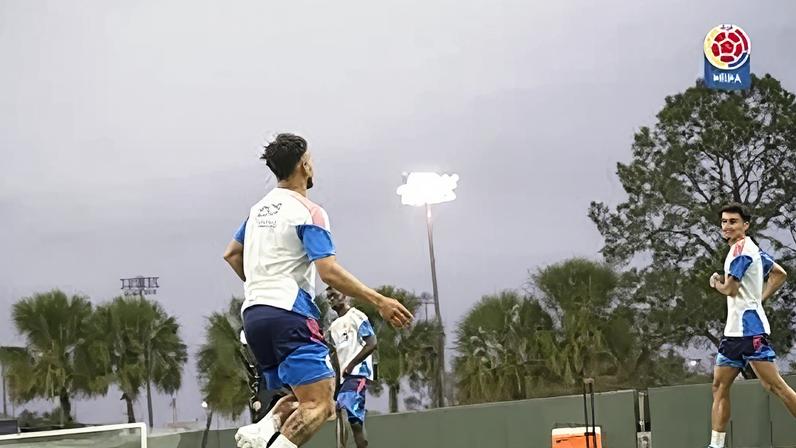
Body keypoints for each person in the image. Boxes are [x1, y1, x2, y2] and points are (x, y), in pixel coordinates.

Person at [223, 133, 413, 448]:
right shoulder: (309, 211)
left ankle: (264, 427)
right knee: (321, 404)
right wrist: (379, 301)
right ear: (304, 165)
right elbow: (328, 271)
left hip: (254, 317)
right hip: (289, 315)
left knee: (298, 396)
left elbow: (231, 253)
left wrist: (260, 287)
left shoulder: (256, 212)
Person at [706, 203, 794, 448]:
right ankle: (715, 445)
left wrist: (716, 283)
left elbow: (730, 289)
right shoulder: (749, 248)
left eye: (733, 221)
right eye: (724, 221)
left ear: (746, 225)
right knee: (719, 386)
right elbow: (779, 273)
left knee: (775, 386)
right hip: (733, 333)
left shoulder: (741, 252)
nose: (727, 226)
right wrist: (759, 299)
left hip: (749, 333)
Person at [326, 286, 376, 448]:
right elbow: (336, 357)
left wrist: (351, 365)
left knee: (348, 412)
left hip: (358, 372)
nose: (331, 299)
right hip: (343, 379)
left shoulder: (357, 316)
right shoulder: (333, 327)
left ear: (344, 294)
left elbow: (372, 343)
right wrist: (336, 384)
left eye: (334, 294)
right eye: (328, 297)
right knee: (345, 415)